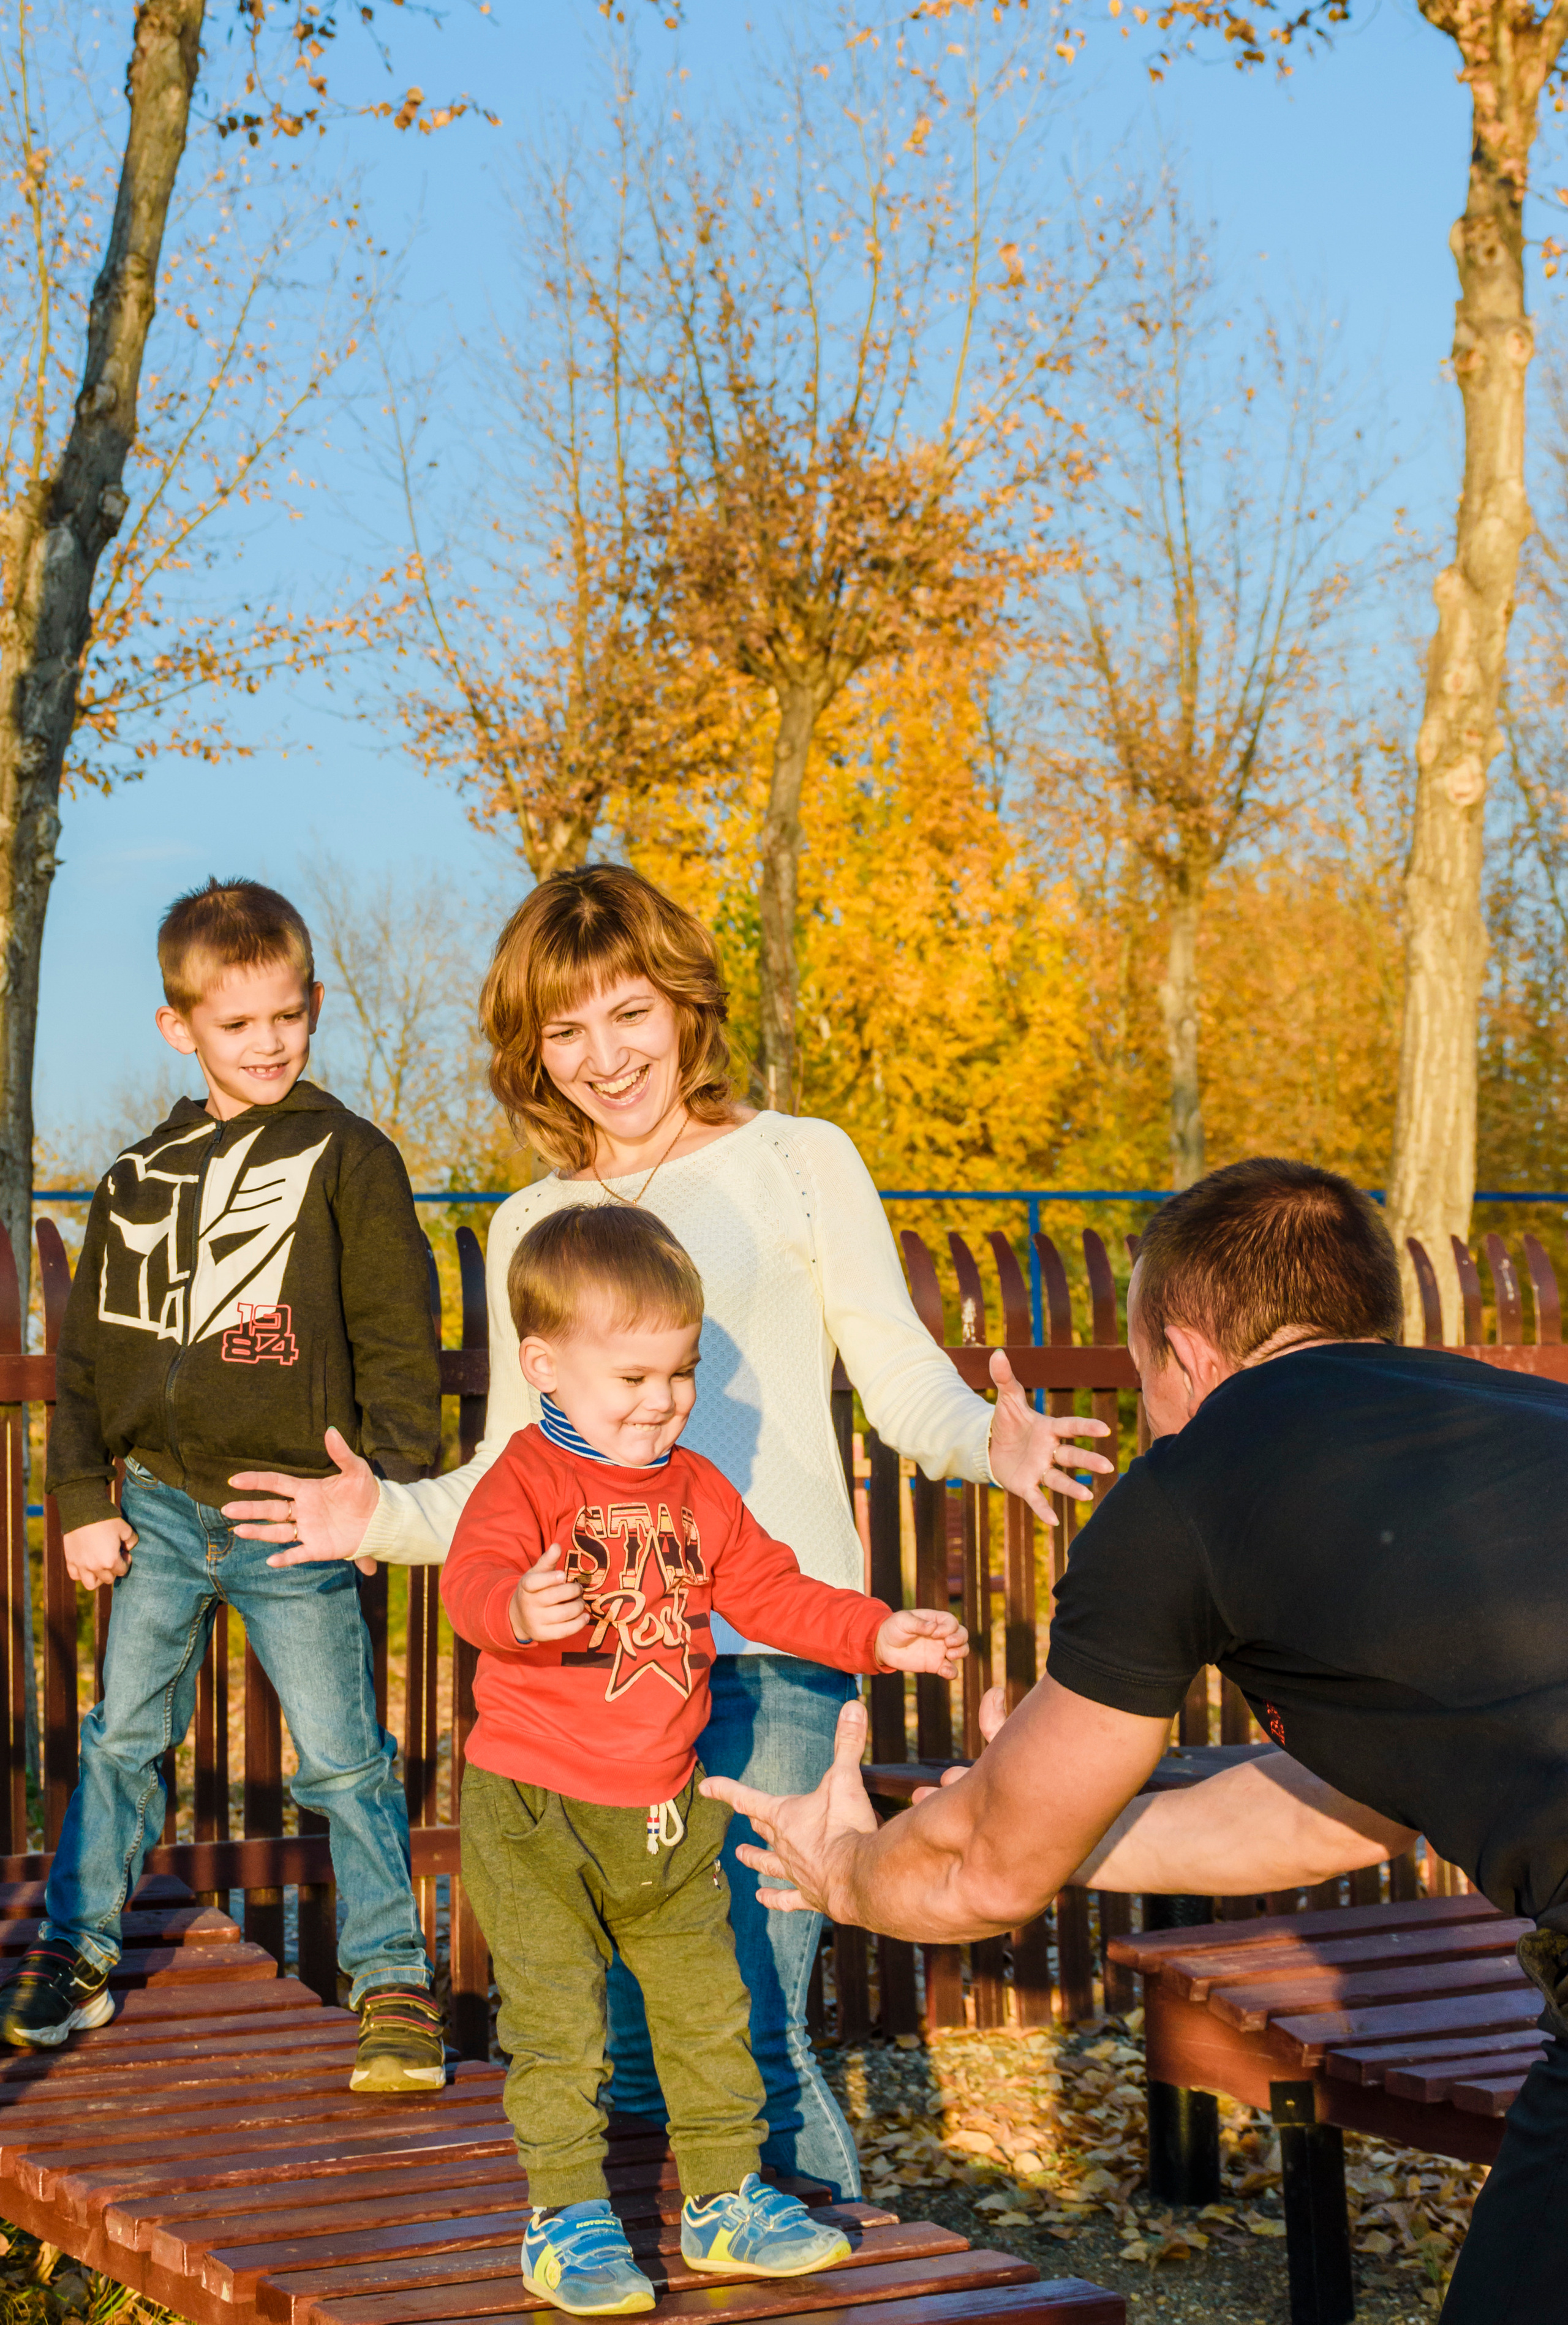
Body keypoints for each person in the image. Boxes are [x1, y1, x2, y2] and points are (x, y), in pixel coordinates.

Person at [225, 862, 1112, 2198]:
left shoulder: (795, 1161)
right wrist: (385, 1515)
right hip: (605, 1688)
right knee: (635, 2043)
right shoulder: (531, 1222)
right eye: (563, 1033)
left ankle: (811, 2273)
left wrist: (988, 1441)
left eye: (625, 1014)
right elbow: (517, 1479)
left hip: (770, 1651)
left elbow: (897, 1371)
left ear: (681, 1006)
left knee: (745, 2023)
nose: (601, 1057)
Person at [706, 1155, 1568, 2324]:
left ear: (1188, 1350)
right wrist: (1064, 1825)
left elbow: (981, 1873)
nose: (1151, 1413)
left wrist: (843, 1868)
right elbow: (1329, 1808)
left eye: (1142, 1378)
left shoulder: (1194, 1479)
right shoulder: (1512, 1419)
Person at [445, 1201, 966, 2316]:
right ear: (544, 1365)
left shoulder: (693, 1489)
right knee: (558, 2022)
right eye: (634, 1377)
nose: (664, 1401)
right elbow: (469, 1583)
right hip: (533, 1809)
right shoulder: (528, 1479)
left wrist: (875, 1633)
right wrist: (518, 1609)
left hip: (664, 1808)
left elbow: (772, 1590)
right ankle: (567, 2216)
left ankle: (725, 2200)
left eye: (678, 1374)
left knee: (708, 2011)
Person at [9, 877, 445, 2093]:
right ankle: (75, 1956)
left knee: (342, 1757)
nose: (266, 1045)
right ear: (179, 1028)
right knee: (119, 1739)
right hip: (154, 1508)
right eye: (237, 1024)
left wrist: (389, 1492)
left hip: (294, 1513)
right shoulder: (133, 1181)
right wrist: (85, 1498)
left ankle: (392, 1979)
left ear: (313, 1007)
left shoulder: (349, 1158)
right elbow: (87, 1365)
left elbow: (399, 1340)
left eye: (285, 1018)